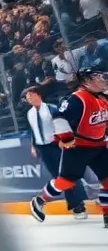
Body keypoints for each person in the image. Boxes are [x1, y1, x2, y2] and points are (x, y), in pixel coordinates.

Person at [29, 61, 108, 227]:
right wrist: (66, 139)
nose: (102, 79)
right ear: (86, 81)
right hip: (77, 148)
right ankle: (40, 200)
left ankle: (107, 215)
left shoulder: (103, 98)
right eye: (97, 76)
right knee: (66, 181)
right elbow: (59, 117)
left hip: (98, 146)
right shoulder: (76, 98)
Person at [23, 86, 87, 218]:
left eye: (31, 95)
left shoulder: (51, 109)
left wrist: (64, 141)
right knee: (57, 178)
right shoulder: (30, 114)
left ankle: (79, 205)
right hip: (43, 149)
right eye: (27, 97)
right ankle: (75, 205)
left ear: (39, 95)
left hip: (56, 146)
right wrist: (33, 146)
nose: (29, 98)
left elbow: (62, 125)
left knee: (67, 174)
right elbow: (33, 131)